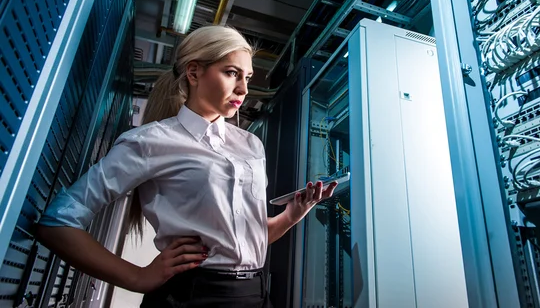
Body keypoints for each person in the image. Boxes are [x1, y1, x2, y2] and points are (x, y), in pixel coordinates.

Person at [35, 25, 337, 307]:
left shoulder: (251, 145)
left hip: (255, 295)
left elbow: (242, 242)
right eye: (232, 73)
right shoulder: (149, 141)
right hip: (191, 297)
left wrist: (291, 215)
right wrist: (137, 277)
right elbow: (58, 222)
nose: (244, 89)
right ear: (194, 72)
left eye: (247, 77)